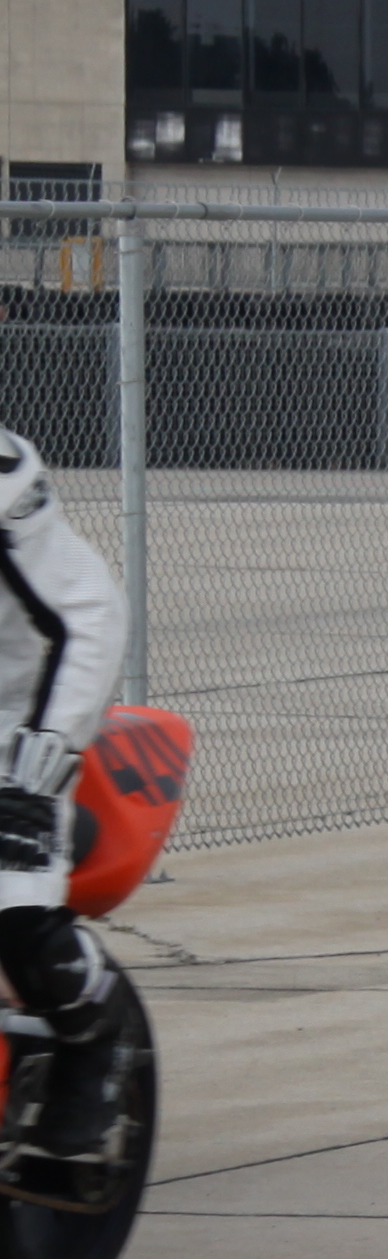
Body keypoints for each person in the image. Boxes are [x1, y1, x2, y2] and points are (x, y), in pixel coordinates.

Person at [0, 434, 135, 1176]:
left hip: (12, 738)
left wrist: (46, 753)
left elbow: (88, 612)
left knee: (14, 911)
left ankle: (96, 1038)